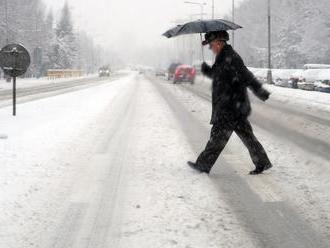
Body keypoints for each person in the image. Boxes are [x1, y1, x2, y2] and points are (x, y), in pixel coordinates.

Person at [188, 31, 273, 175]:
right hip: (233, 106)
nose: (210, 48)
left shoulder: (232, 58)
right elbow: (217, 75)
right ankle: (262, 162)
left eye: (211, 44)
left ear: (219, 42)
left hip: (230, 106)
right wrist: (206, 69)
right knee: (247, 137)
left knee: (217, 138)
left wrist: (260, 91)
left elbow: (246, 76)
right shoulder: (222, 58)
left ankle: (203, 164)